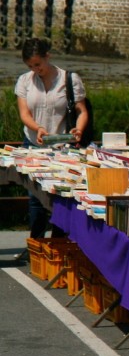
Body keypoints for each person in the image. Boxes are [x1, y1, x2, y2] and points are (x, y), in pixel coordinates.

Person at [15, 38, 88, 238]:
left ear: (48, 56)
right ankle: (36, 240)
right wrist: (37, 128)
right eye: (30, 66)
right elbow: (24, 113)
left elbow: (82, 111)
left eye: (38, 64)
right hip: (34, 142)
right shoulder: (25, 81)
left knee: (61, 195)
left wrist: (78, 130)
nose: (36, 69)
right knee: (35, 197)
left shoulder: (69, 80)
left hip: (62, 144)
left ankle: (58, 239)